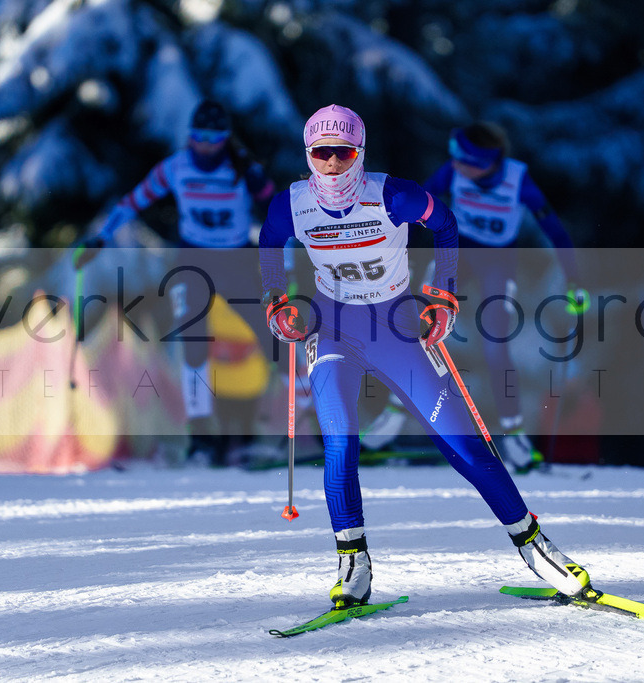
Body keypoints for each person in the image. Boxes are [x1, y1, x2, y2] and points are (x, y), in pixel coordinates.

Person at [258, 104, 606, 610]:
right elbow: (270, 246)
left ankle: (536, 548)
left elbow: (445, 226)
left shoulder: (393, 194)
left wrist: (443, 295)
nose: (332, 164)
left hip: (395, 326)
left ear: (360, 152)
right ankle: (353, 563)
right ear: (308, 155)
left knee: (463, 446)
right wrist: (277, 301)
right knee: (340, 442)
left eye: (343, 152)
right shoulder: (292, 203)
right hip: (332, 328)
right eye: (321, 153)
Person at [363, 122, 586, 472]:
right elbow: (416, 201)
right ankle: (391, 418)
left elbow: (553, 228)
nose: (456, 165)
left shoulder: (517, 178)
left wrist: (574, 281)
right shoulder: (454, 170)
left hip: (497, 262)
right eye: (453, 156)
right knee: (418, 329)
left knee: (495, 346)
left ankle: (514, 438)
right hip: (457, 255)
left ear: (487, 163)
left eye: (463, 159)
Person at [77, 99, 276, 466]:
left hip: (235, 261)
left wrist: (261, 183)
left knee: (272, 337)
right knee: (193, 345)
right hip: (193, 261)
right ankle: (202, 440)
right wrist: (101, 236)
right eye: (198, 137)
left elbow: (276, 207)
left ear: (225, 139)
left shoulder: (240, 166)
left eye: (213, 139)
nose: (204, 146)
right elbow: (133, 201)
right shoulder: (176, 167)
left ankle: (309, 425)